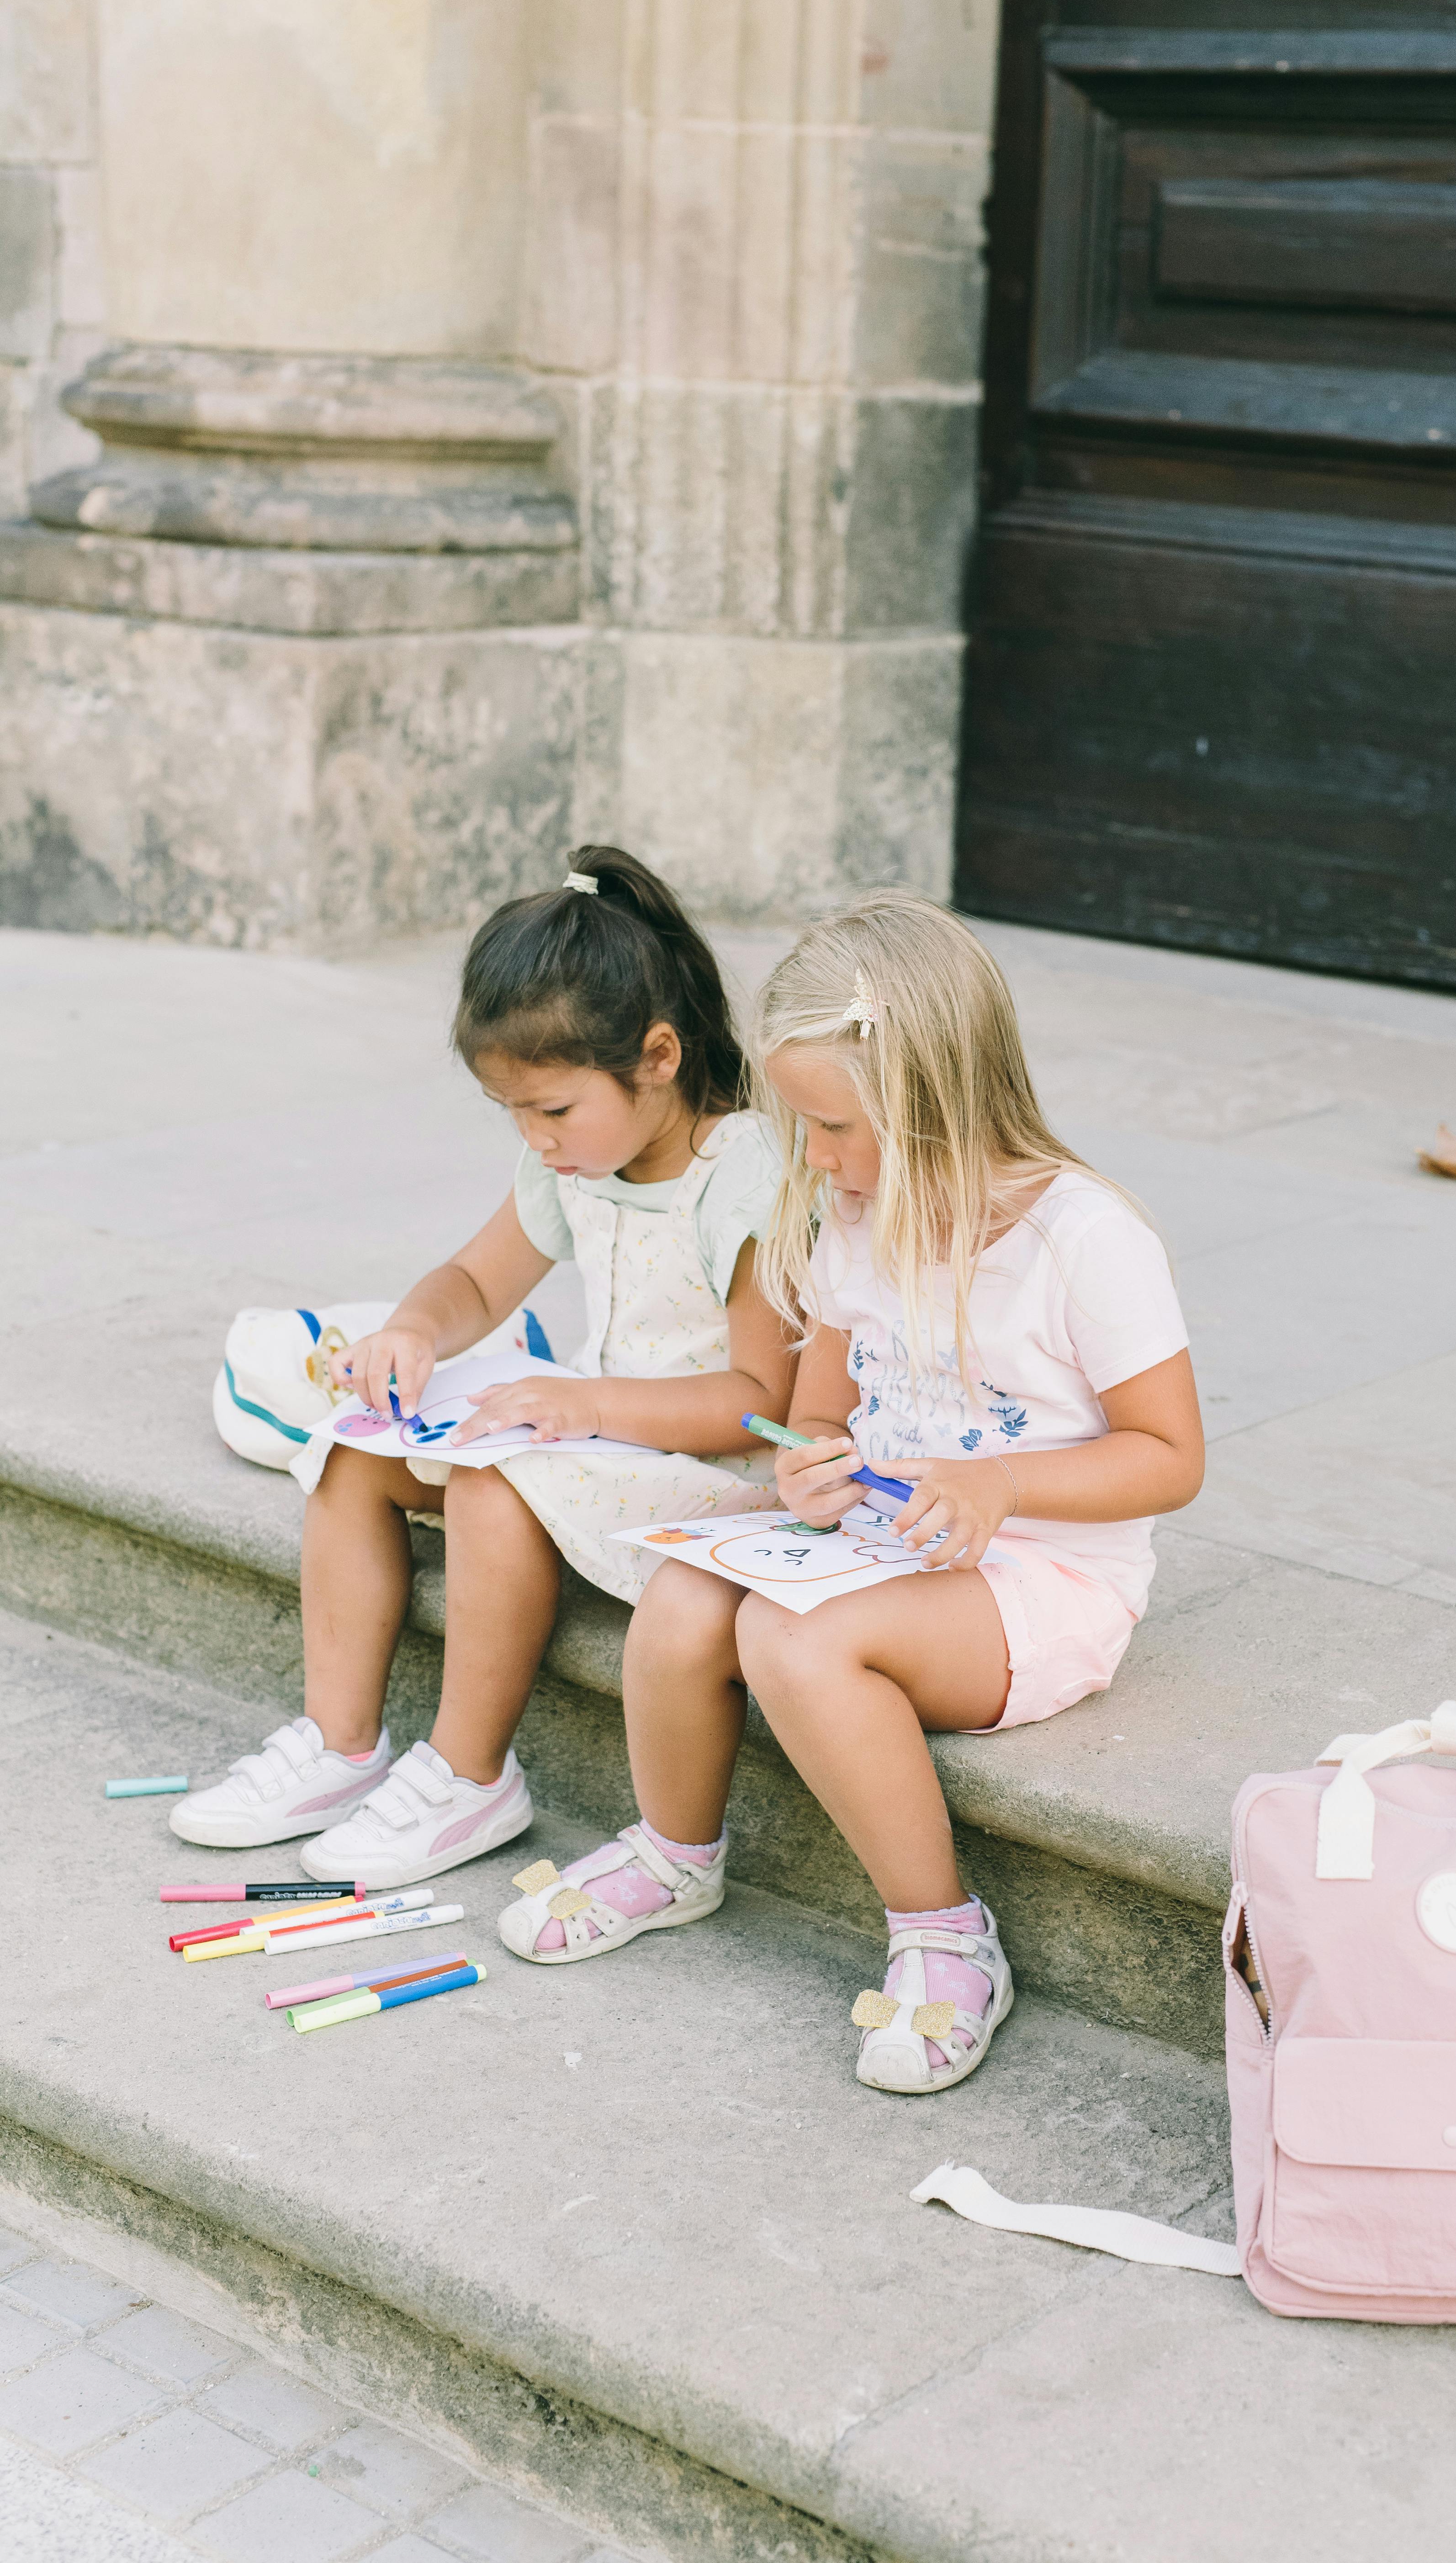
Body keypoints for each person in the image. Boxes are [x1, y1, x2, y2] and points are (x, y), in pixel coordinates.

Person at [497, 889, 1205, 2095]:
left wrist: (1002, 1485)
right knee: (682, 1598)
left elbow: (1170, 1455)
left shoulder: (1087, 1240)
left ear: (935, 1101)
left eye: (831, 1127)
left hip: (1038, 1575)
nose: (812, 1158)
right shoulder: (851, 1217)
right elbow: (821, 1412)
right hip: (883, 1543)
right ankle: (677, 1855)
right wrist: (809, 1464)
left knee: (794, 1639)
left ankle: (943, 1935)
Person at [171, 848, 791, 1885]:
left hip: (716, 1474)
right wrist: (414, 1329)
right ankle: (338, 1741)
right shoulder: (580, 1155)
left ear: (659, 1055)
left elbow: (759, 1404)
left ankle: (469, 1775)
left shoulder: (742, 1172)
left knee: (495, 1483)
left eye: (551, 1110)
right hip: (595, 1437)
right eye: (513, 1114)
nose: (535, 1139)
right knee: (349, 1452)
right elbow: (474, 1277)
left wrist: (581, 1400)